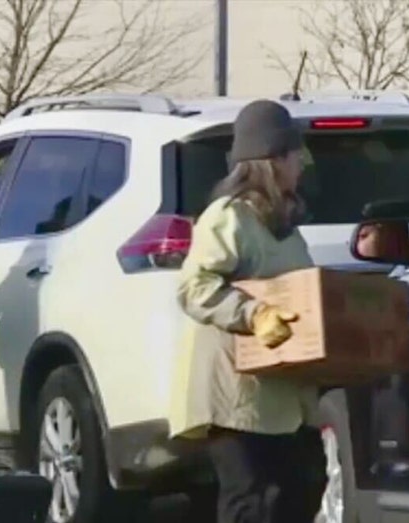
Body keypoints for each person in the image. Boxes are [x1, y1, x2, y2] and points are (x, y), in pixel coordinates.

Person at [169, 99, 327, 523]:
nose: (303, 166)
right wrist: (254, 314)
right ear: (272, 160)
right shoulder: (228, 217)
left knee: (303, 490)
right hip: (237, 396)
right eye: (297, 156)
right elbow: (194, 287)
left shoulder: (285, 225)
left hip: (285, 394)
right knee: (252, 501)